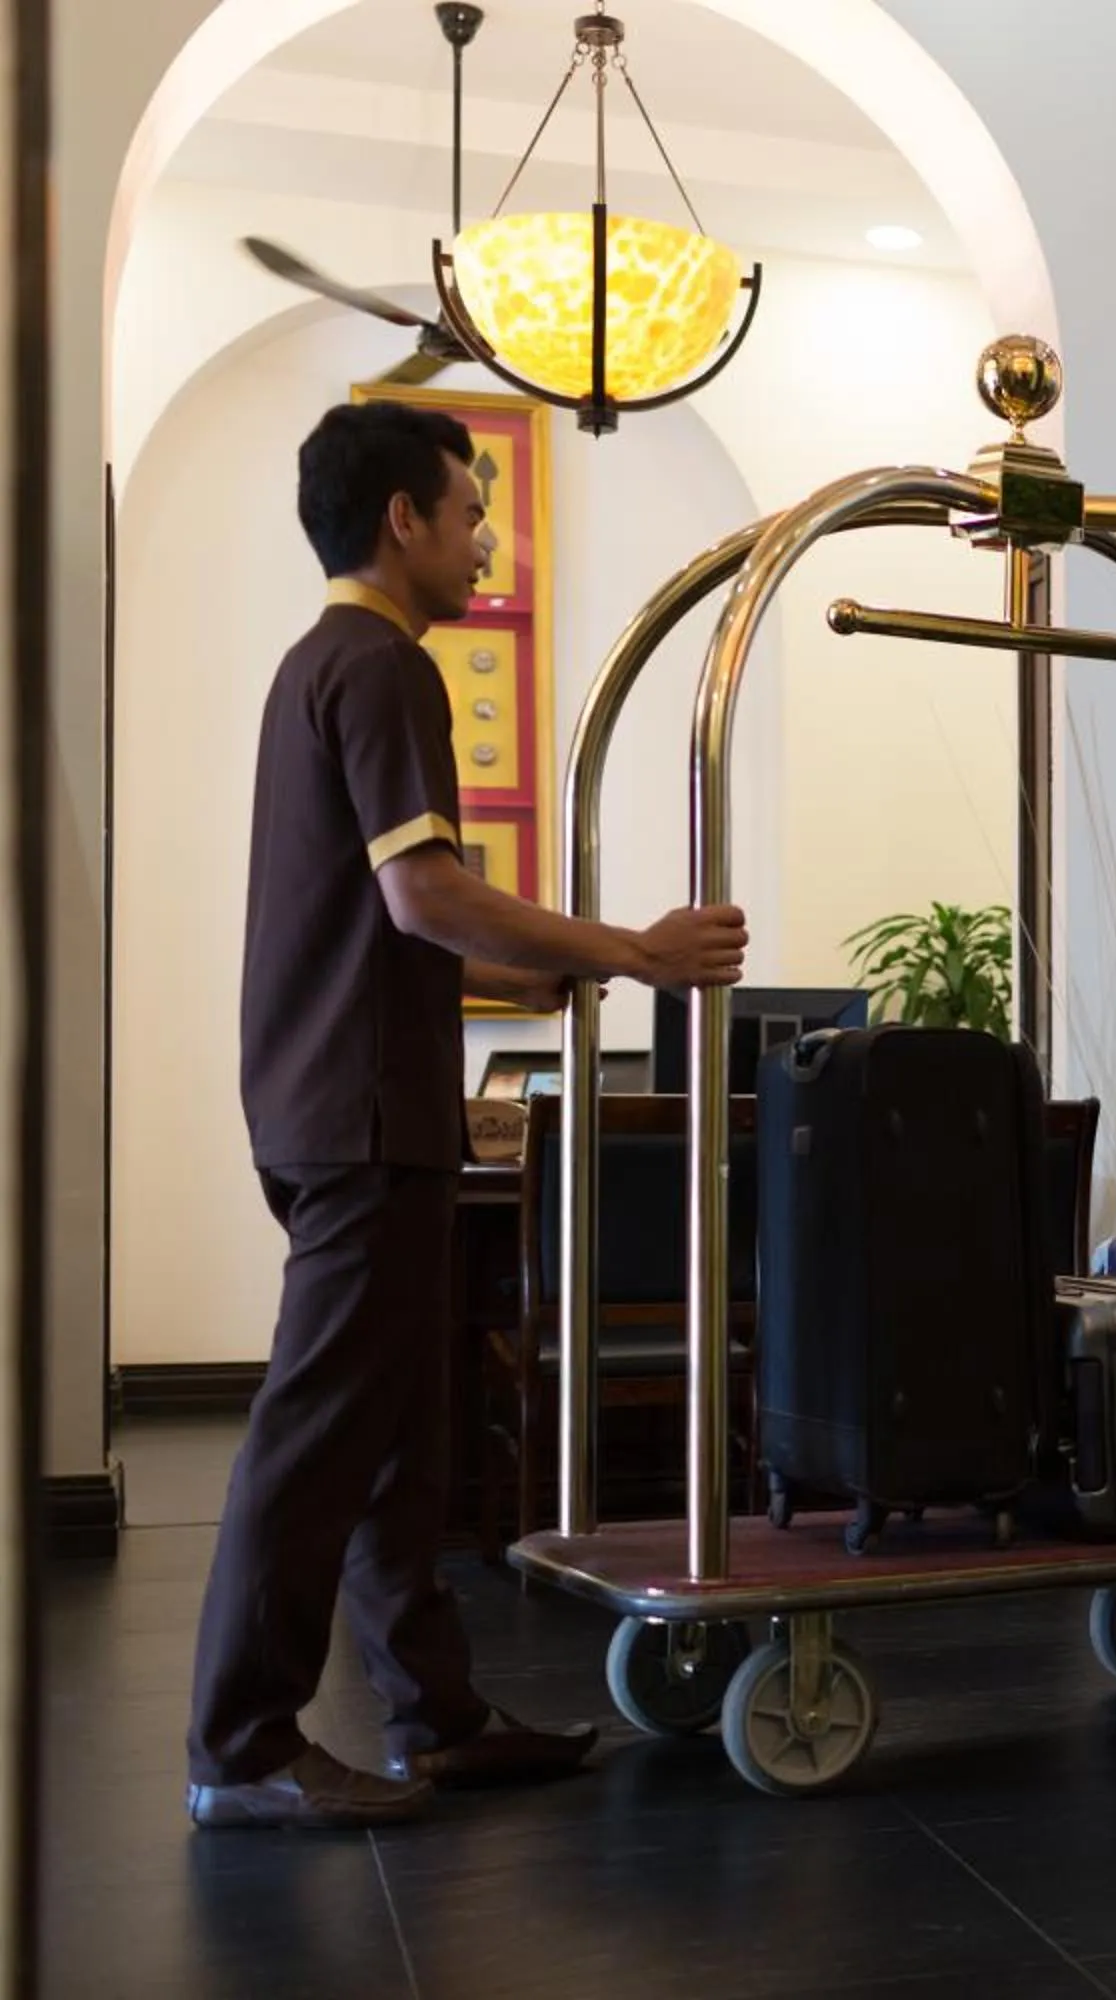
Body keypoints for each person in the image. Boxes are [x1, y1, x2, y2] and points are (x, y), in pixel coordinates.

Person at [188, 401, 752, 1830]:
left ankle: (436, 1718)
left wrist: (542, 973)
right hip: (366, 1115)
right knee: (321, 1436)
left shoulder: (319, 666)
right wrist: (630, 950)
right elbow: (420, 894)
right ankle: (242, 1748)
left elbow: (405, 931)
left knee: (396, 1441)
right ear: (401, 520)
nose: (482, 536)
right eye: (468, 509)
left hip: (341, 1103)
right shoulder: (381, 668)